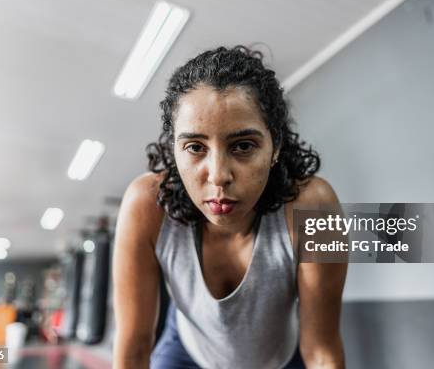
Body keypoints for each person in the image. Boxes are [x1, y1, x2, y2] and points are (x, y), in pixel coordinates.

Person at [113, 46, 347, 368]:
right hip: (187, 353)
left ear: (275, 145)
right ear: (174, 149)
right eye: (195, 147)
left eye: (243, 146)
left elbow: (322, 350)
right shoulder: (146, 206)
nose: (219, 176)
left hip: (280, 358)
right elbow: (134, 349)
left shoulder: (316, 208)